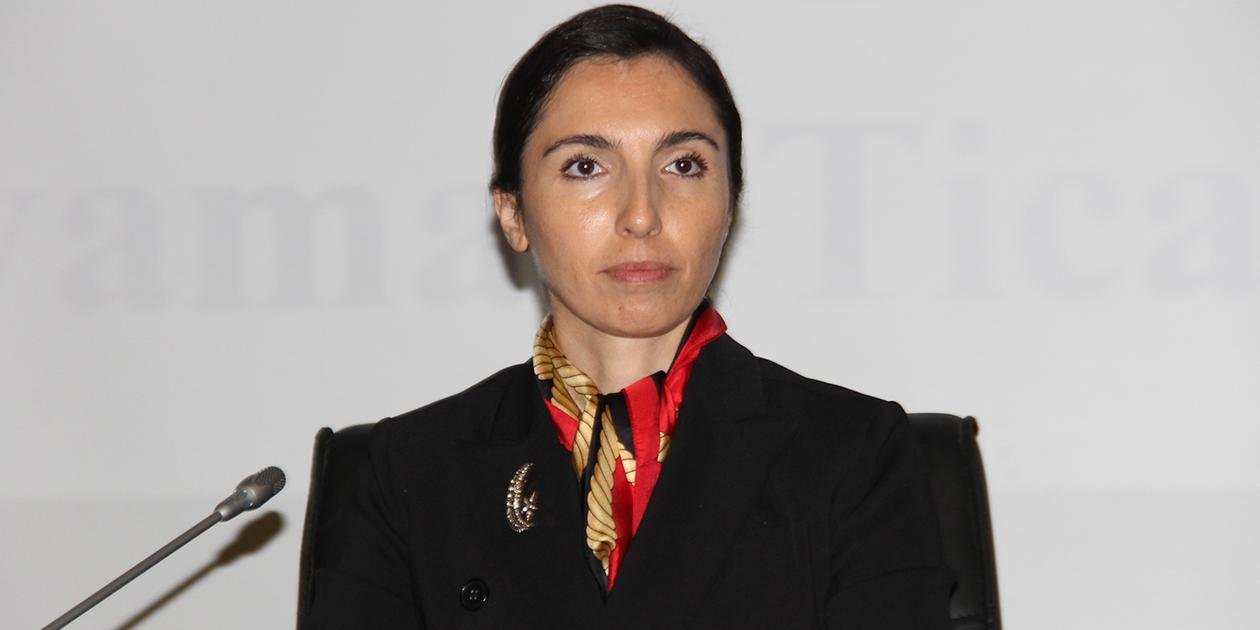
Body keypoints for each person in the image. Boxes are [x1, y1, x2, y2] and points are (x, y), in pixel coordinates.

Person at [303, 4, 954, 628]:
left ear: (730, 204)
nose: (641, 215)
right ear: (513, 214)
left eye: (683, 165)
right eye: (585, 166)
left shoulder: (855, 456)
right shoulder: (407, 474)